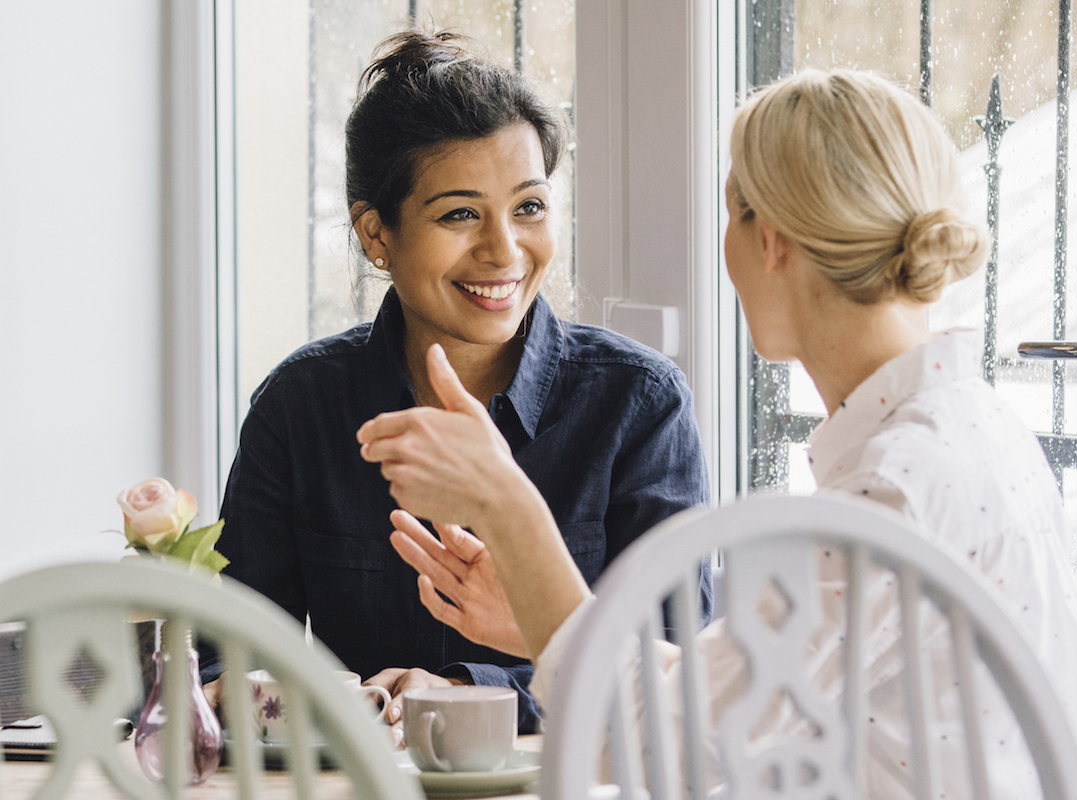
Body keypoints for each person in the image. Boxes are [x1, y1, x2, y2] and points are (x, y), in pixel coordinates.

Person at [359, 68, 1077, 796]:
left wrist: (507, 503)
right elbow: (735, 698)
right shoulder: (963, 434)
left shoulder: (894, 491)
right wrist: (535, 617)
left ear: (769, 239)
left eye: (728, 214)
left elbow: (656, 750)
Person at [201, 29, 712, 738]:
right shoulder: (300, 406)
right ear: (375, 233)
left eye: (528, 207)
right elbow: (223, 658)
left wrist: (461, 693)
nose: (504, 249)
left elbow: (681, 674)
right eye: (460, 214)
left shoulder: (639, 404)